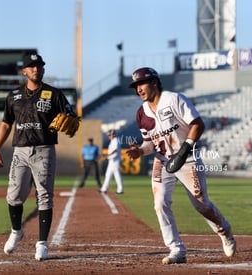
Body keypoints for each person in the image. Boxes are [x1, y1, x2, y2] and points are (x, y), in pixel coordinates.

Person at [126, 67, 236, 264]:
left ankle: (224, 230)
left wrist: (185, 149)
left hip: (188, 157)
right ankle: (176, 249)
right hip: (163, 159)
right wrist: (140, 151)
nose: (138, 90)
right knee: (159, 203)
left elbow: (198, 124)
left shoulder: (174, 99)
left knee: (201, 205)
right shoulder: (141, 113)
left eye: (141, 84)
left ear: (154, 82)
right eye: (135, 87)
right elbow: (150, 142)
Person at [0, 54, 76, 261]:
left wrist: (71, 120)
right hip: (20, 151)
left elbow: (71, 115)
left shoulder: (54, 94)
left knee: (44, 196)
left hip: (44, 150)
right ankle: (16, 231)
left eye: (39, 66)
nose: (36, 69)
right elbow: (6, 124)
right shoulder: (13, 96)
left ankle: (42, 244)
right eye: (31, 66)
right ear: (24, 71)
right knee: (13, 196)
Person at [99, 129, 124, 194]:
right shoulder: (112, 141)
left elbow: (115, 150)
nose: (108, 136)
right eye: (108, 135)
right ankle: (104, 189)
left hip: (115, 161)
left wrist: (106, 156)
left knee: (117, 175)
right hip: (112, 161)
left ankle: (120, 189)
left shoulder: (116, 140)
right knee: (108, 175)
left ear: (113, 134)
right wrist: (107, 156)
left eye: (109, 135)